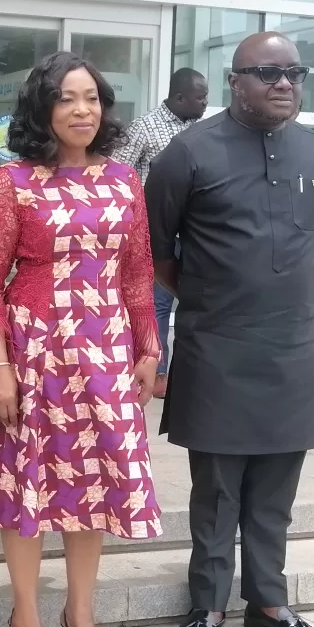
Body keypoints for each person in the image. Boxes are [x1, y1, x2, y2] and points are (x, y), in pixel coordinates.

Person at [0, 51, 162, 627]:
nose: (82, 110)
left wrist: (148, 349)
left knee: (94, 484)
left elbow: (138, 272)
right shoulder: (13, 182)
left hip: (105, 351)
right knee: (30, 485)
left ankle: (80, 612)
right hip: (34, 351)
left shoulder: (123, 181)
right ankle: (25, 616)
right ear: (43, 108)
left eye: (92, 98)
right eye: (67, 98)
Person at [145, 32, 314, 627]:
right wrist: (215, 299)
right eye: (268, 73)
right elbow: (158, 253)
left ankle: (268, 602)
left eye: (295, 74)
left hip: (291, 348)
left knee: (277, 488)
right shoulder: (188, 152)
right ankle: (207, 605)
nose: (284, 83)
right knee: (217, 490)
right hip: (218, 347)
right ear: (234, 81)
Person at [112, 68, 208, 398]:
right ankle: (159, 371)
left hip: (195, 232)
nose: (205, 103)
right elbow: (118, 174)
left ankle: (191, 371)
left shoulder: (201, 131)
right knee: (158, 304)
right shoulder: (144, 128)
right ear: (180, 97)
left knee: (196, 301)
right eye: (200, 97)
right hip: (157, 231)